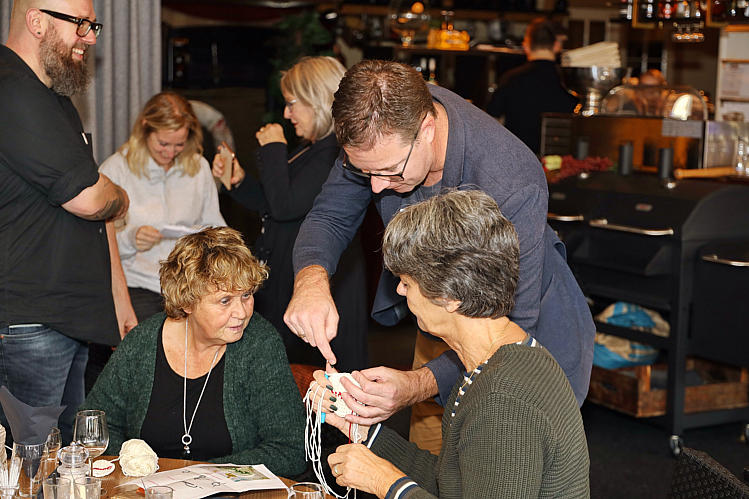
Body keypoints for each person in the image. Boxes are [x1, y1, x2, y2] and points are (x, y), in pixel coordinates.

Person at [285, 59, 595, 454]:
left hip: (519, 336)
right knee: (434, 458)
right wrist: (310, 281)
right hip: (439, 314)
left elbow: (513, 324)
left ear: (427, 129)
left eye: (390, 171)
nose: (376, 188)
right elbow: (330, 215)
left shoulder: (510, 178)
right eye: (366, 174)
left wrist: (417, 384)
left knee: (493, 465)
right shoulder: (379, 125)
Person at [308, 190, 590, 498]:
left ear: (450, 296)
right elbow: (454, 482)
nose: (400, 291)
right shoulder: (497, 361)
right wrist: (366, 433)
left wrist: (385, 483)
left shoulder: (502, 399)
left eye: (407, 282)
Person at [0, 0, 134, 442]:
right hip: (28, 324)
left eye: (92, 25)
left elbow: (94, 211)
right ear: (36, 21)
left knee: (64, 462)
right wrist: (120, 195)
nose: (90, 37)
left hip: (61, 320)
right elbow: (90, 198)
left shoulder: (52, 97)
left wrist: (118, 300)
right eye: (80, 24)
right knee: (28, 463)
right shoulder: (12, 90)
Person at [81, 227, 306, 476]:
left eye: (246, 295)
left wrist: (201, 477)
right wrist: (135, 466)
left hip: (230, 492)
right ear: (187, 302)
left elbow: (290, 450)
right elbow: (93, 428)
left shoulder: (259, 343)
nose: (242, 313)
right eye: (225, 301)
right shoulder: (143, 342)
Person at [212, 56, 368, 372]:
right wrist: (239, 182)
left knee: (310, 375)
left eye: (292, 104)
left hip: (322, 281)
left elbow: (284, 206)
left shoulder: (336, 153)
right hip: (289, 272)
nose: (286, 114)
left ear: (317, 100)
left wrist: (273, 148)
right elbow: (276, 203)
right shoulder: (312, 148)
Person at [99, 91, 226, 322]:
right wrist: (131, 238)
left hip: (189, 286)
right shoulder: (116, 169)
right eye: (163, 143)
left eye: (179, 144)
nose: (170, 152)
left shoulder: (199, 167)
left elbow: (215, 228)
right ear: (145, 129)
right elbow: (96, 243)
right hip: (136, 285)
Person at [486, 18, 578, 154]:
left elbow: (492, 122)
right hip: (560, 159)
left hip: (518, 157)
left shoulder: (510, 78)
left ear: (526, 45)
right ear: (557, 45)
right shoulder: (569, 81)